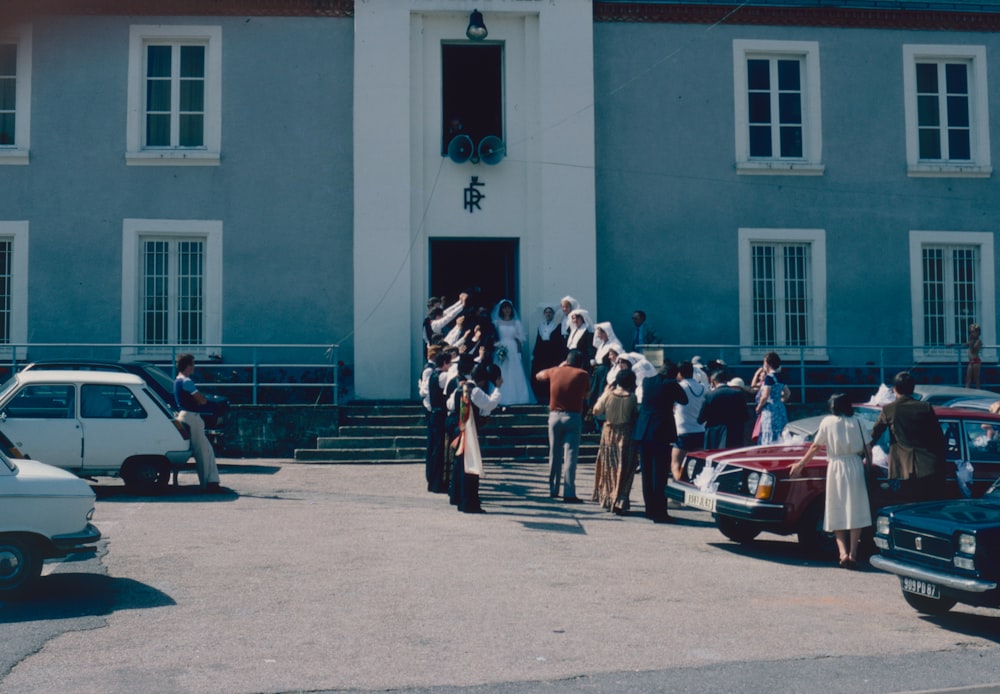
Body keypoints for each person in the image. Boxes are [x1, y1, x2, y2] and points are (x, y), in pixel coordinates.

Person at [790, 394, 872, 568]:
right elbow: (869, 449)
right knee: (855, 509)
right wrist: (868, 468)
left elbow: (815, 446)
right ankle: (853, 553)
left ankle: (842, 553)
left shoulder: (827, 422)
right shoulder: (858, 422)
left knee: (836, 507)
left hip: (836, 465)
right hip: (855, 465)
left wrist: (801, 463)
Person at [869, 371, 948, 503]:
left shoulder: (889, 409)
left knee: (905, 507)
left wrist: (860, 453)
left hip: (902, 467)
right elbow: (938, 437)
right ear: (913, 388)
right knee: (927, 508)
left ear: (894, 389)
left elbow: (874, 435)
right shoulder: (925, 407)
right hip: (928, 465)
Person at [633, 361, 687, 523]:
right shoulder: (671, 384)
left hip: (643, 431)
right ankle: (660, 511)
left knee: (647, 474)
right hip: (661, 432)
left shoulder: (647, 381)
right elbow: (684, 400)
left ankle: (649, 509)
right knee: (660, 473)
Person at [536, 349, 591, 503]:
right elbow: (586, 396)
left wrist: (559, 367)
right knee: (570, 455)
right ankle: (569, 492)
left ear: (567, 360)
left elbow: (539, 375)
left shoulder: (554, 371)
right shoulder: (583, 374)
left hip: (554, 416)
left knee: (554, 453)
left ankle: (553, 489)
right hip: (573, 416)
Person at [449, 364, 502, 514]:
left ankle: (458, 497)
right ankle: (469, 502)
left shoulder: (460, 388)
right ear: (483, 380)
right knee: (470, 466)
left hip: (459, 429)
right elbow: (490, 404)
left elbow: (450, 405)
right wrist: (497, 388)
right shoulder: (475, 390)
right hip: (469, 431)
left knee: (459, 465)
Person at [591, 369, 640, 515]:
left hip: (608, 431)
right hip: (625, 433)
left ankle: (607, 496)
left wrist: (604, 394)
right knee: (623, 467)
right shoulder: (632, 397)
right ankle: (620, 498)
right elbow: (633, 416)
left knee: (608, 466)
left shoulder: (608, 394)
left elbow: (596, 411)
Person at [173, 353, 221, 493]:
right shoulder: (187, 381)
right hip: (192, 416)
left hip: (183, 414)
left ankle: (212, 480)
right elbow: (202, 400)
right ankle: (207, 484)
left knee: (207, 449)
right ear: (188, 366)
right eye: (193, 364)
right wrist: (202, 398)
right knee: (202, 452)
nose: (194, 367)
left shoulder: (177, 381)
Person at [491, 299, 535, 405]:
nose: (507, 310)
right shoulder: (496, 322)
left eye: (508, 308)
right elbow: (494, 337)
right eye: (504, 308)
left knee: (514, 372)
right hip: (500, 348)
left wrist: (519, 352)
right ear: (501, 310)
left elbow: (520, 338)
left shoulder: (516, 323)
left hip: (512, 349)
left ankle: (518, 397)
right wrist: (497, 346)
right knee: (502, 371)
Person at [671, 361, 707, 481]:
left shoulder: (680, 387)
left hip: (683, 431)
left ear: (680, 373)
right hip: (700, 430)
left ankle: (680, 489)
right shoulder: (702, 387)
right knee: (698, 467)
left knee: (675, 464)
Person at [698, 370, 749, 449]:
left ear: (713, 381)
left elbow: (701, 419)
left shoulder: (709, 395)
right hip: (734, 434)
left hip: (714, 435)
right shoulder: (738, 394)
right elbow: (745, 416)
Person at [531, 304, 564, 404]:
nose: (548, 314)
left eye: (550, 312)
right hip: (541, 354)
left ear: (553, 314)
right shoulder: (541, 326)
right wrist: (534, 353)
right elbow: (538, 340)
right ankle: (541, 396)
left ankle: (550, 396)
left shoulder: (556, 326)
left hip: (551, 354)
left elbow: (558, 341)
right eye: (546, 312)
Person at [754, 351, 789, 445]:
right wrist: (781, 401)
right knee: (780, 431)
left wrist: (759, 407)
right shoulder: (780, 376)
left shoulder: (769, 377)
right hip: (780, 407)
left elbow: (765, 396)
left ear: (767, 364)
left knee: (769, 431)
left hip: (769, 409)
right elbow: (787, 393)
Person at [966, 322, 983, 389]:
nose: (972, 333)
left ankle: (978, 391)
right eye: (971, 332)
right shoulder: (971, 340)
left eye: (974, 332)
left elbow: (973, 349)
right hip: (971, 361)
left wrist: (970, 343)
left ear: (978, 332)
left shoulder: (978, 341)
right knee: (968, 379)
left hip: (976, 361)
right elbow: (963, 344)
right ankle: (966, 392)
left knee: (976, 379)